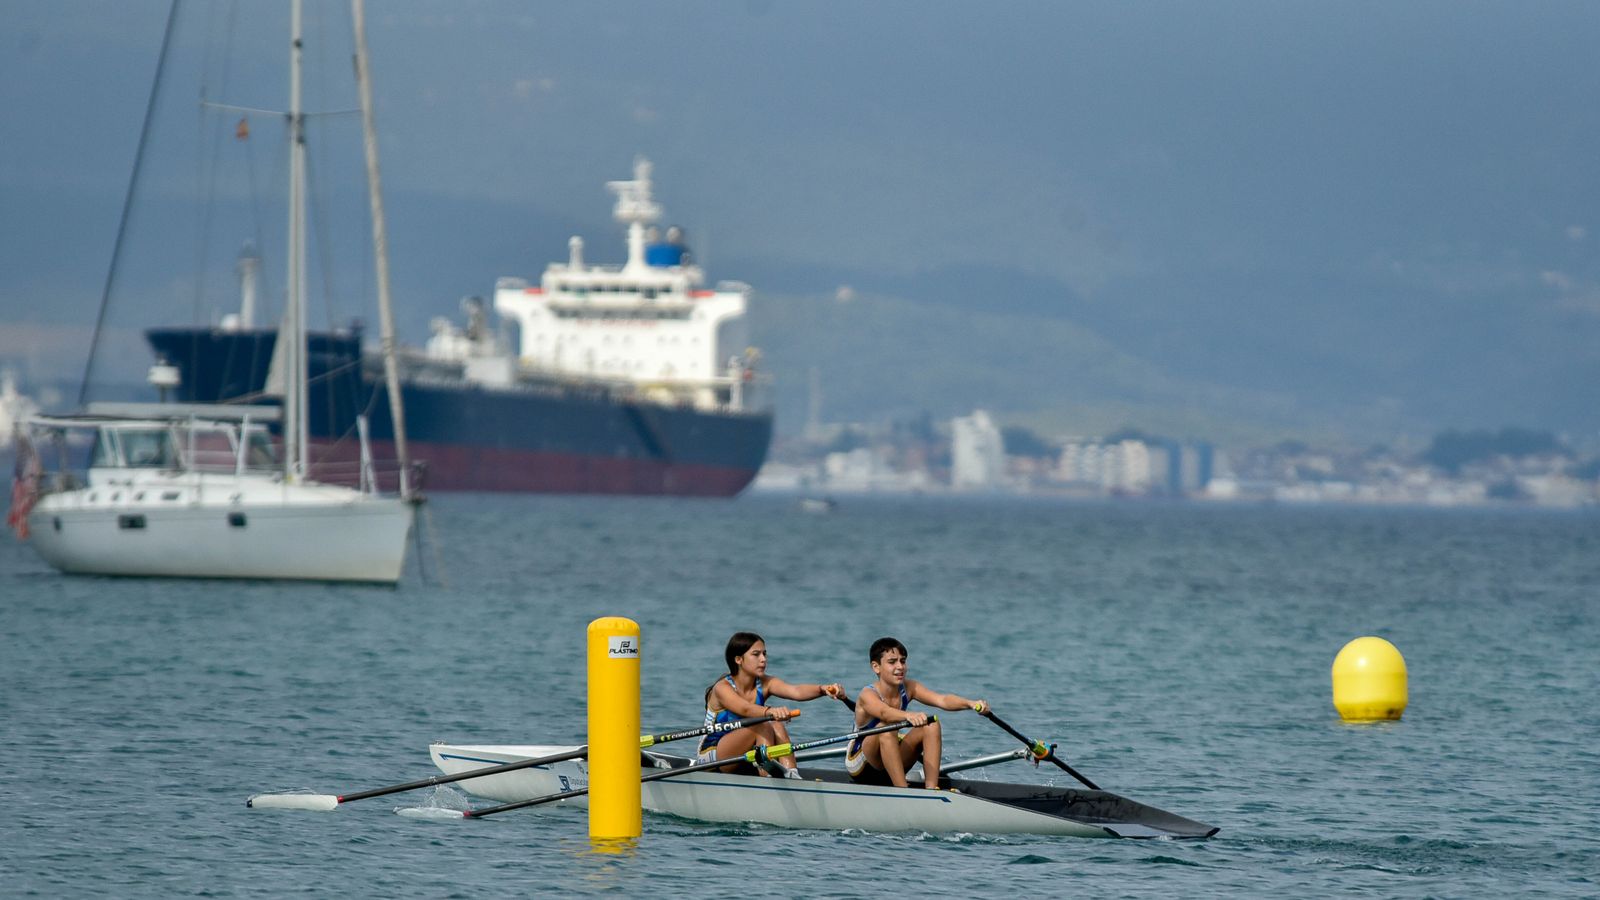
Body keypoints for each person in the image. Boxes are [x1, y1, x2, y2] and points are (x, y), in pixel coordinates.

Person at [846, 636, 988, 789]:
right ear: (876, 667)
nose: (900, 667)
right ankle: (903, 791)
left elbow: (942, 700)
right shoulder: (867, 694)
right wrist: (909, 715)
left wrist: (970, 703)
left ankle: (931, 790)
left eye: (903, 661)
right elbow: (884, 712)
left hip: (892, 761)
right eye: (892, 662)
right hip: (862, 764)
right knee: (885, 727)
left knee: (931, 724)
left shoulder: (909, 687)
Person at [700, 631, 845, 778]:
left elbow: (796, 691)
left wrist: (822, 689)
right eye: (756, 654)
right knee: (762, 724)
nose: (763, 659)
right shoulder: (722, 688)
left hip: (746, 752)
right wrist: (771, 711)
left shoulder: (765, 683)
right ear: (738, 659)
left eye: (764, 654)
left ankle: (792, 774)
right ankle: (767, 776)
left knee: (776, 725)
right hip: (713, 755)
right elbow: (745, 708)